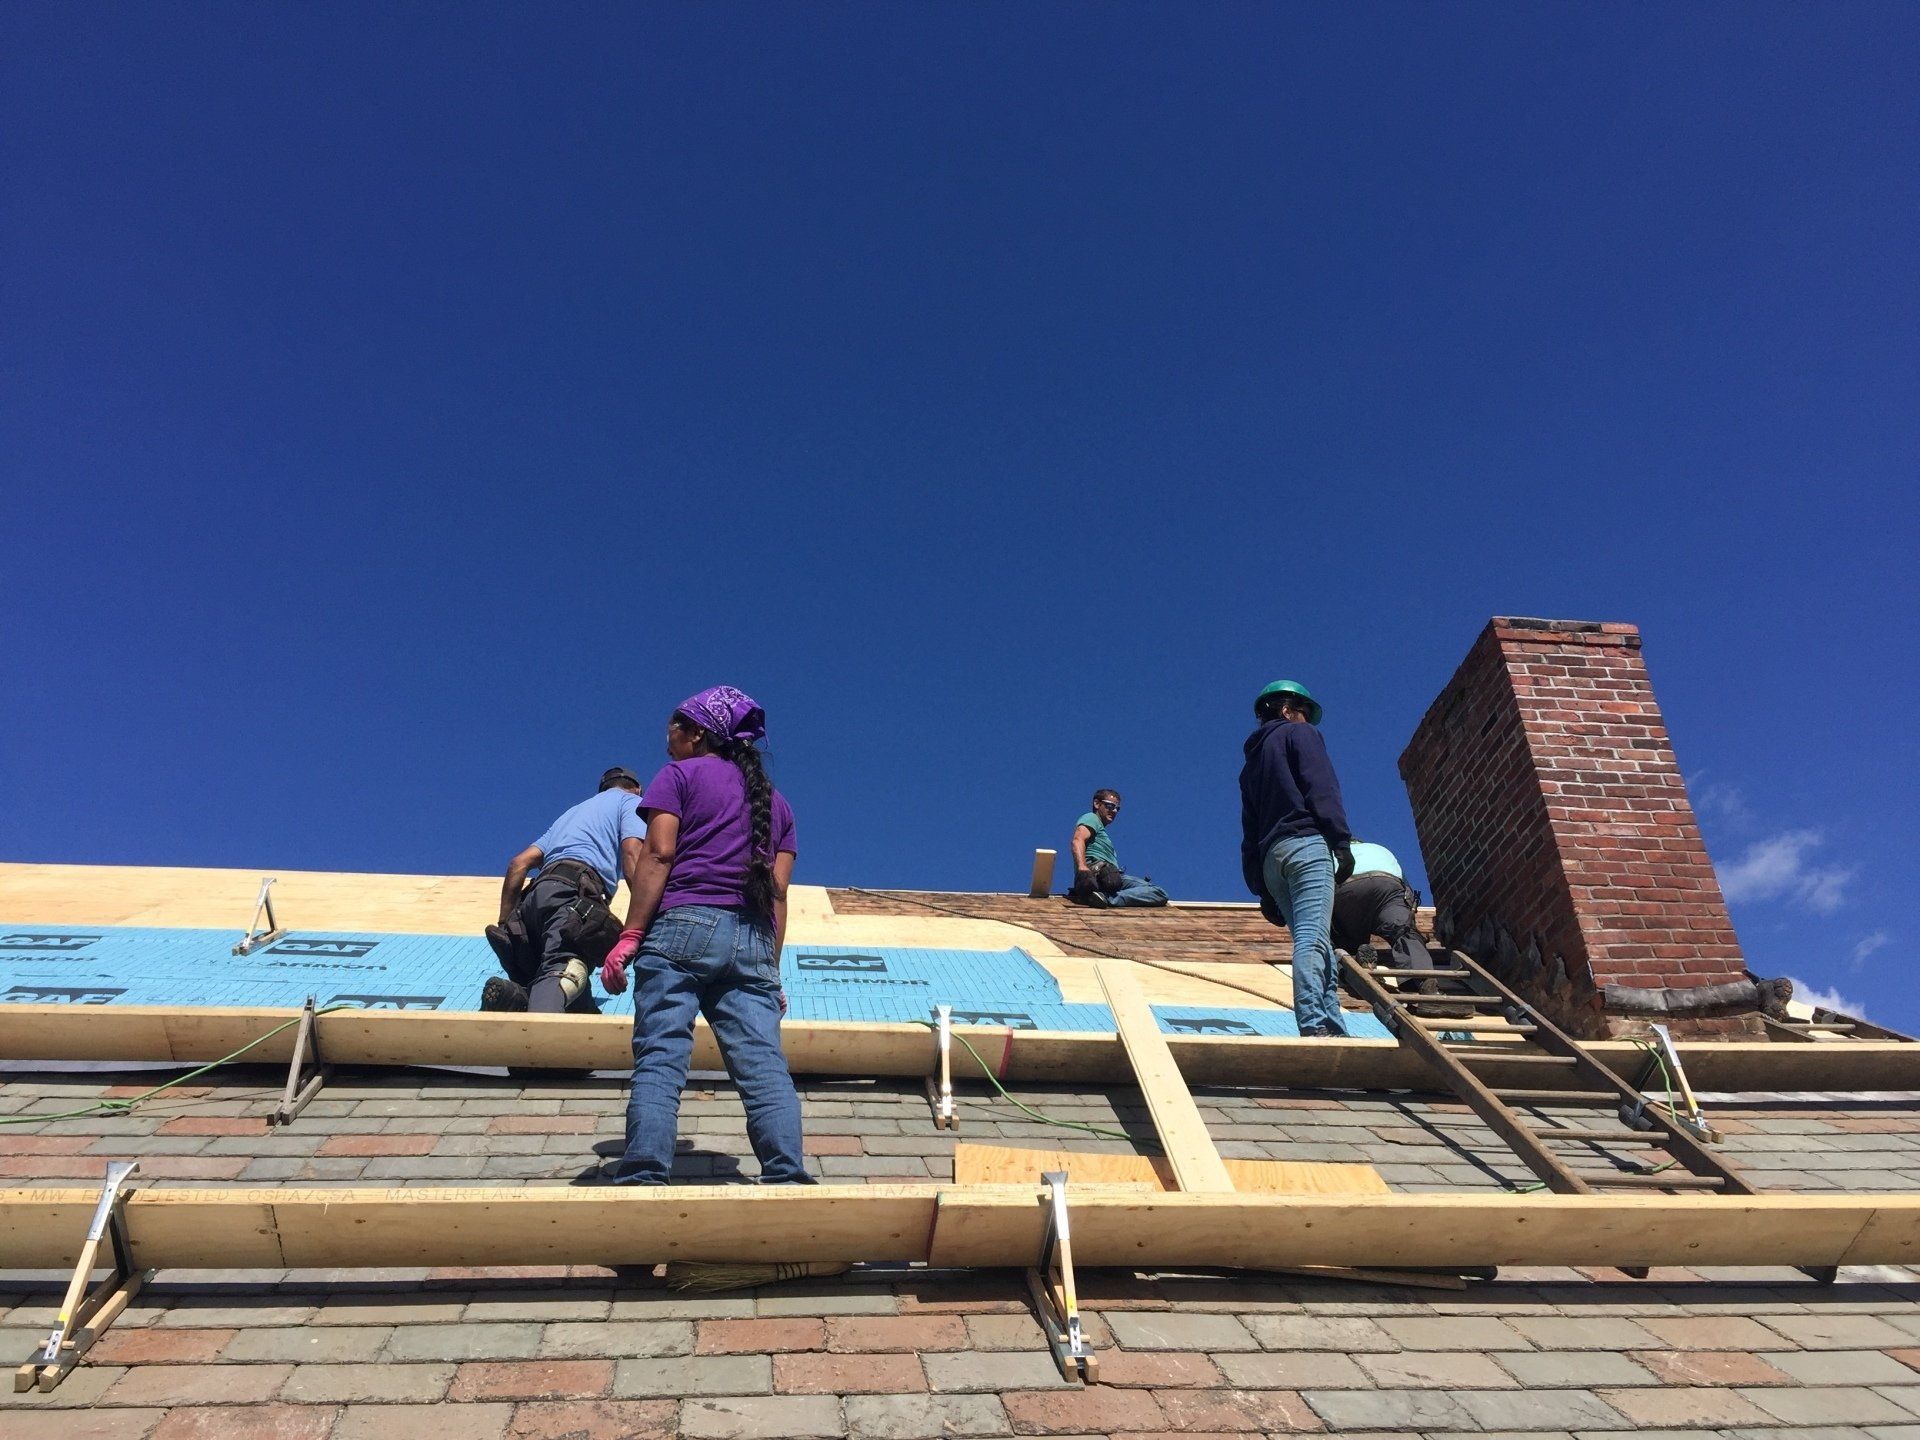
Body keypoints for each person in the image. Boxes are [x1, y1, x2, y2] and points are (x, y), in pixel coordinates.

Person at [600, 686, 810, 1186]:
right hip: (755, 941)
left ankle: (644, 1177)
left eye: (673, 729)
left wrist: (631, 933)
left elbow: (658, 855)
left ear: (697, 733)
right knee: (763, 1067)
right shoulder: (777, 805)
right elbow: (777, 895)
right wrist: (771, 971)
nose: (666, 740)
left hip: (683, 927)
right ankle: (787, 1178)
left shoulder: (677, 776)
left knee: (661, 1057)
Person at [1240, 680, 1354, 1037]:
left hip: (1272, 859)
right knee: (1312, 939)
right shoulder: (1299, 735)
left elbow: (1249, 829)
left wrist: (1262, 888)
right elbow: (1321, 785)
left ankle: (1332, 1024)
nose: (1307, 721)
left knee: (1319, 941)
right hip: (1306, 844)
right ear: (1287, 710)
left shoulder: (1250, 767)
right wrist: (1340, 840)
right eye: (1303, 713)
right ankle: (1314, 1023)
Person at [482, 766, 643, 1014]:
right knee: (564, 969)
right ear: (636, 788)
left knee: (562, 990)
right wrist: (648, 914)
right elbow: (633, 855)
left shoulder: (571, 814)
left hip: (535, 900)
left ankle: (513, 998)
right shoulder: (630, 801)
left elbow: (518, 864)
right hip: (573, 897)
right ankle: (537, 1042)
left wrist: (507, 925)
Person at [1067, 790, 1169, 907]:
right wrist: (1082, 868)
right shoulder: (1091, 818)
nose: (1114, 811)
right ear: (1097, 804)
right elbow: (1077, 840)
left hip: (1107, 877)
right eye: (1110, 806)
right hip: (1096, 873)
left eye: (1117, 808)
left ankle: (1098, 897)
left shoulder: (1102, 833)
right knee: (1158, 892)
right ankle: (1107, 899)